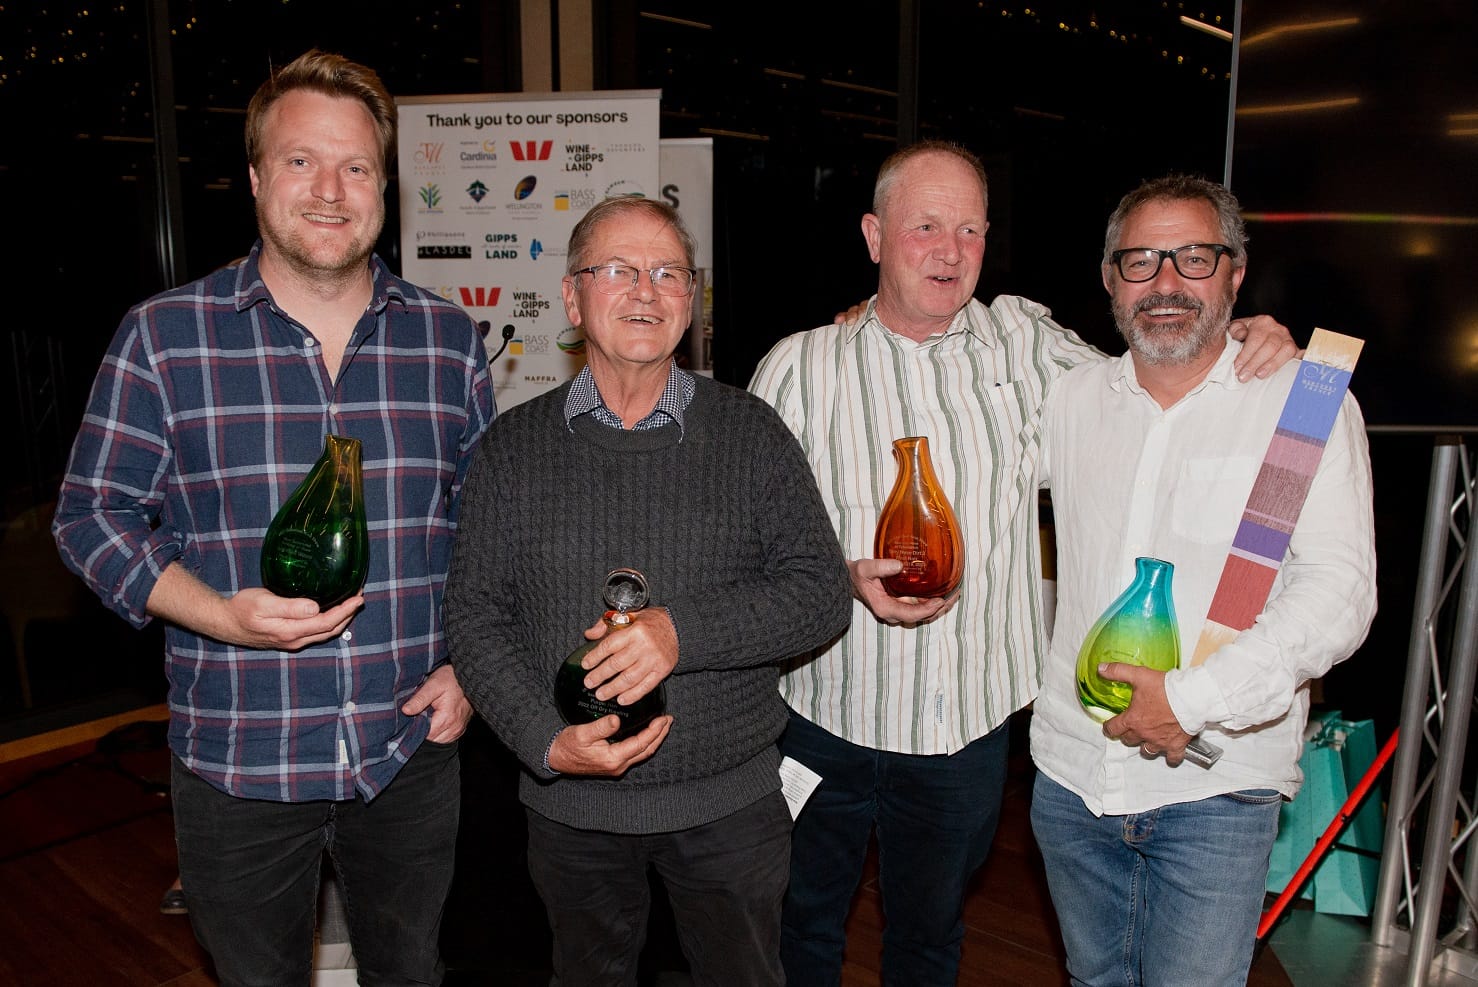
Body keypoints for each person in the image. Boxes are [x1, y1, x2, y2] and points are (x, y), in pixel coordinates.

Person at [747, 141, 1298, 986]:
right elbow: (748, 536)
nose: (948, 248)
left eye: (969, 229)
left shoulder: (1029, 348)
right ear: (873, 236)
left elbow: (1156, 382)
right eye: (924, 225)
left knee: (930, 938)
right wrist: (838, 577)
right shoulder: (797, 367)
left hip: (966, 727)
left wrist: (1241, 334)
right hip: (826, 711)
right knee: (802, 925)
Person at [52, 50, 495, 985]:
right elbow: (89, 516)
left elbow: (484, 531)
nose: (331, 190)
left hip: (407, 750)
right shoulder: (165, 337)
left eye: (357, 166)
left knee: (411, 972)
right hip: (239, 754)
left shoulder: (449, 341)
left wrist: (470, 666)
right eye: (301, 161)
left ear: (387, 185)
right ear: (257, 179)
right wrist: (220, 614)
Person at [444, 196, 853, 986]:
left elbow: (819, 593)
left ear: (690, 298)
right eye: (620, 270)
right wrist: (544, 741)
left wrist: (680, 633)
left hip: (729, 805)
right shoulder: (511, 448)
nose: (646, 290)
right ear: (572, 296)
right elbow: (475, 615)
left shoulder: (751, 431)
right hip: (571, 809)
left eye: (669, 272)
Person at [1029, 175, 1376, 986]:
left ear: (1235, 272)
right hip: (1072, 777)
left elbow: (1337, 590)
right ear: (1111, 278)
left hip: (1214, 787)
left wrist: (1190, 702)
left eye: (1194, 257)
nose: (1167, 283)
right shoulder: (1069, 402)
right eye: (1142, 261)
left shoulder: (1302, 400)